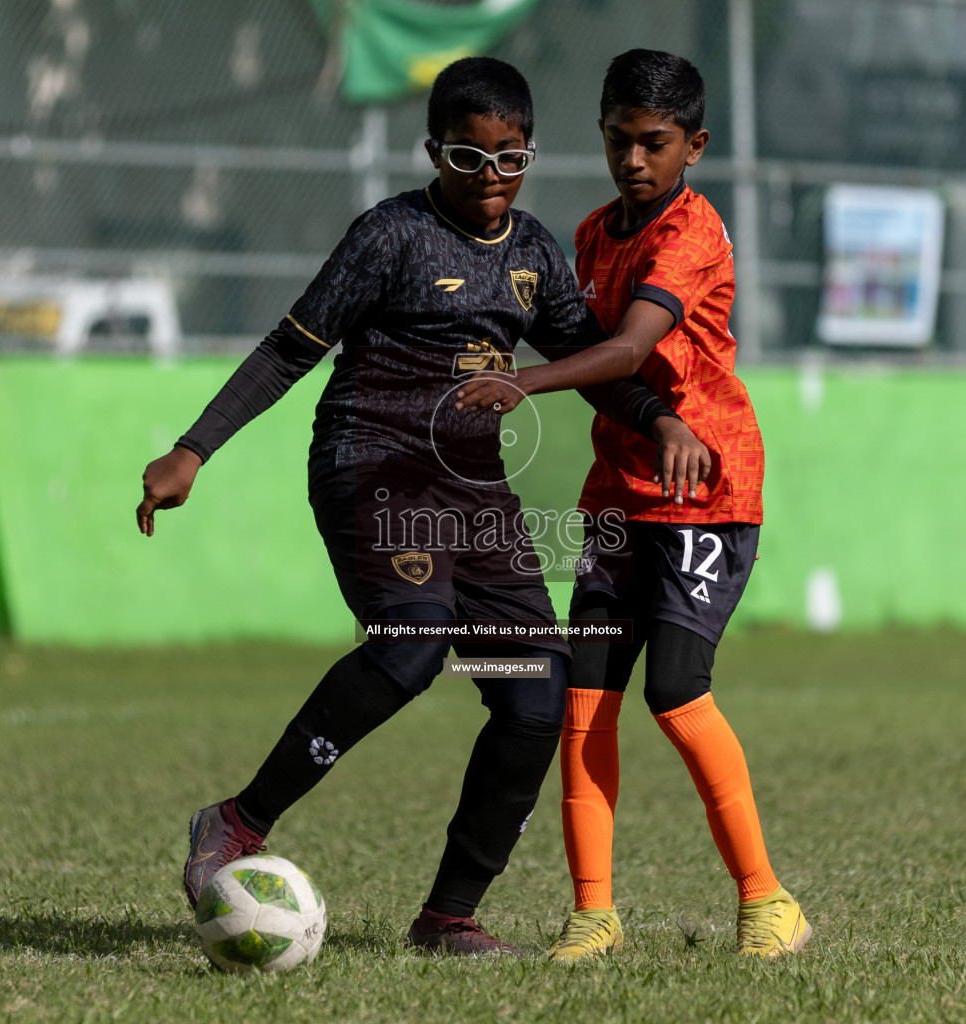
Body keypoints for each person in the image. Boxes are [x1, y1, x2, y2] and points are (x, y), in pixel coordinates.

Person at [135, 56, 707, 955]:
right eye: (467, 158)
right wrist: (193, 447)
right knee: (410, 647)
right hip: (372, 466)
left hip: (473, 497)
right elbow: (291, 348)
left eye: (509, 159)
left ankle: (448, 918)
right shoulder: (389, 235)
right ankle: (237, 822)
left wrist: (664, 420)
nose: (489, 179)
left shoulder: (532, 254)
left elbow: (590, 358)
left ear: (529, 154)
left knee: (534, 695)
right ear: (433, 153)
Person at [465, 49, 812, 961]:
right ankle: (593, 915)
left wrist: (522, 383)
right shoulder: (589, 235)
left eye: (654, 143)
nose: (634, 161)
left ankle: (768, 900)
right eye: (619, 141)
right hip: (619, 495)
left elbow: (624, 353)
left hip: (707, 491)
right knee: (584, 702)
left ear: (693, 145)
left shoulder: (691, 234)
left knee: (674, 689)